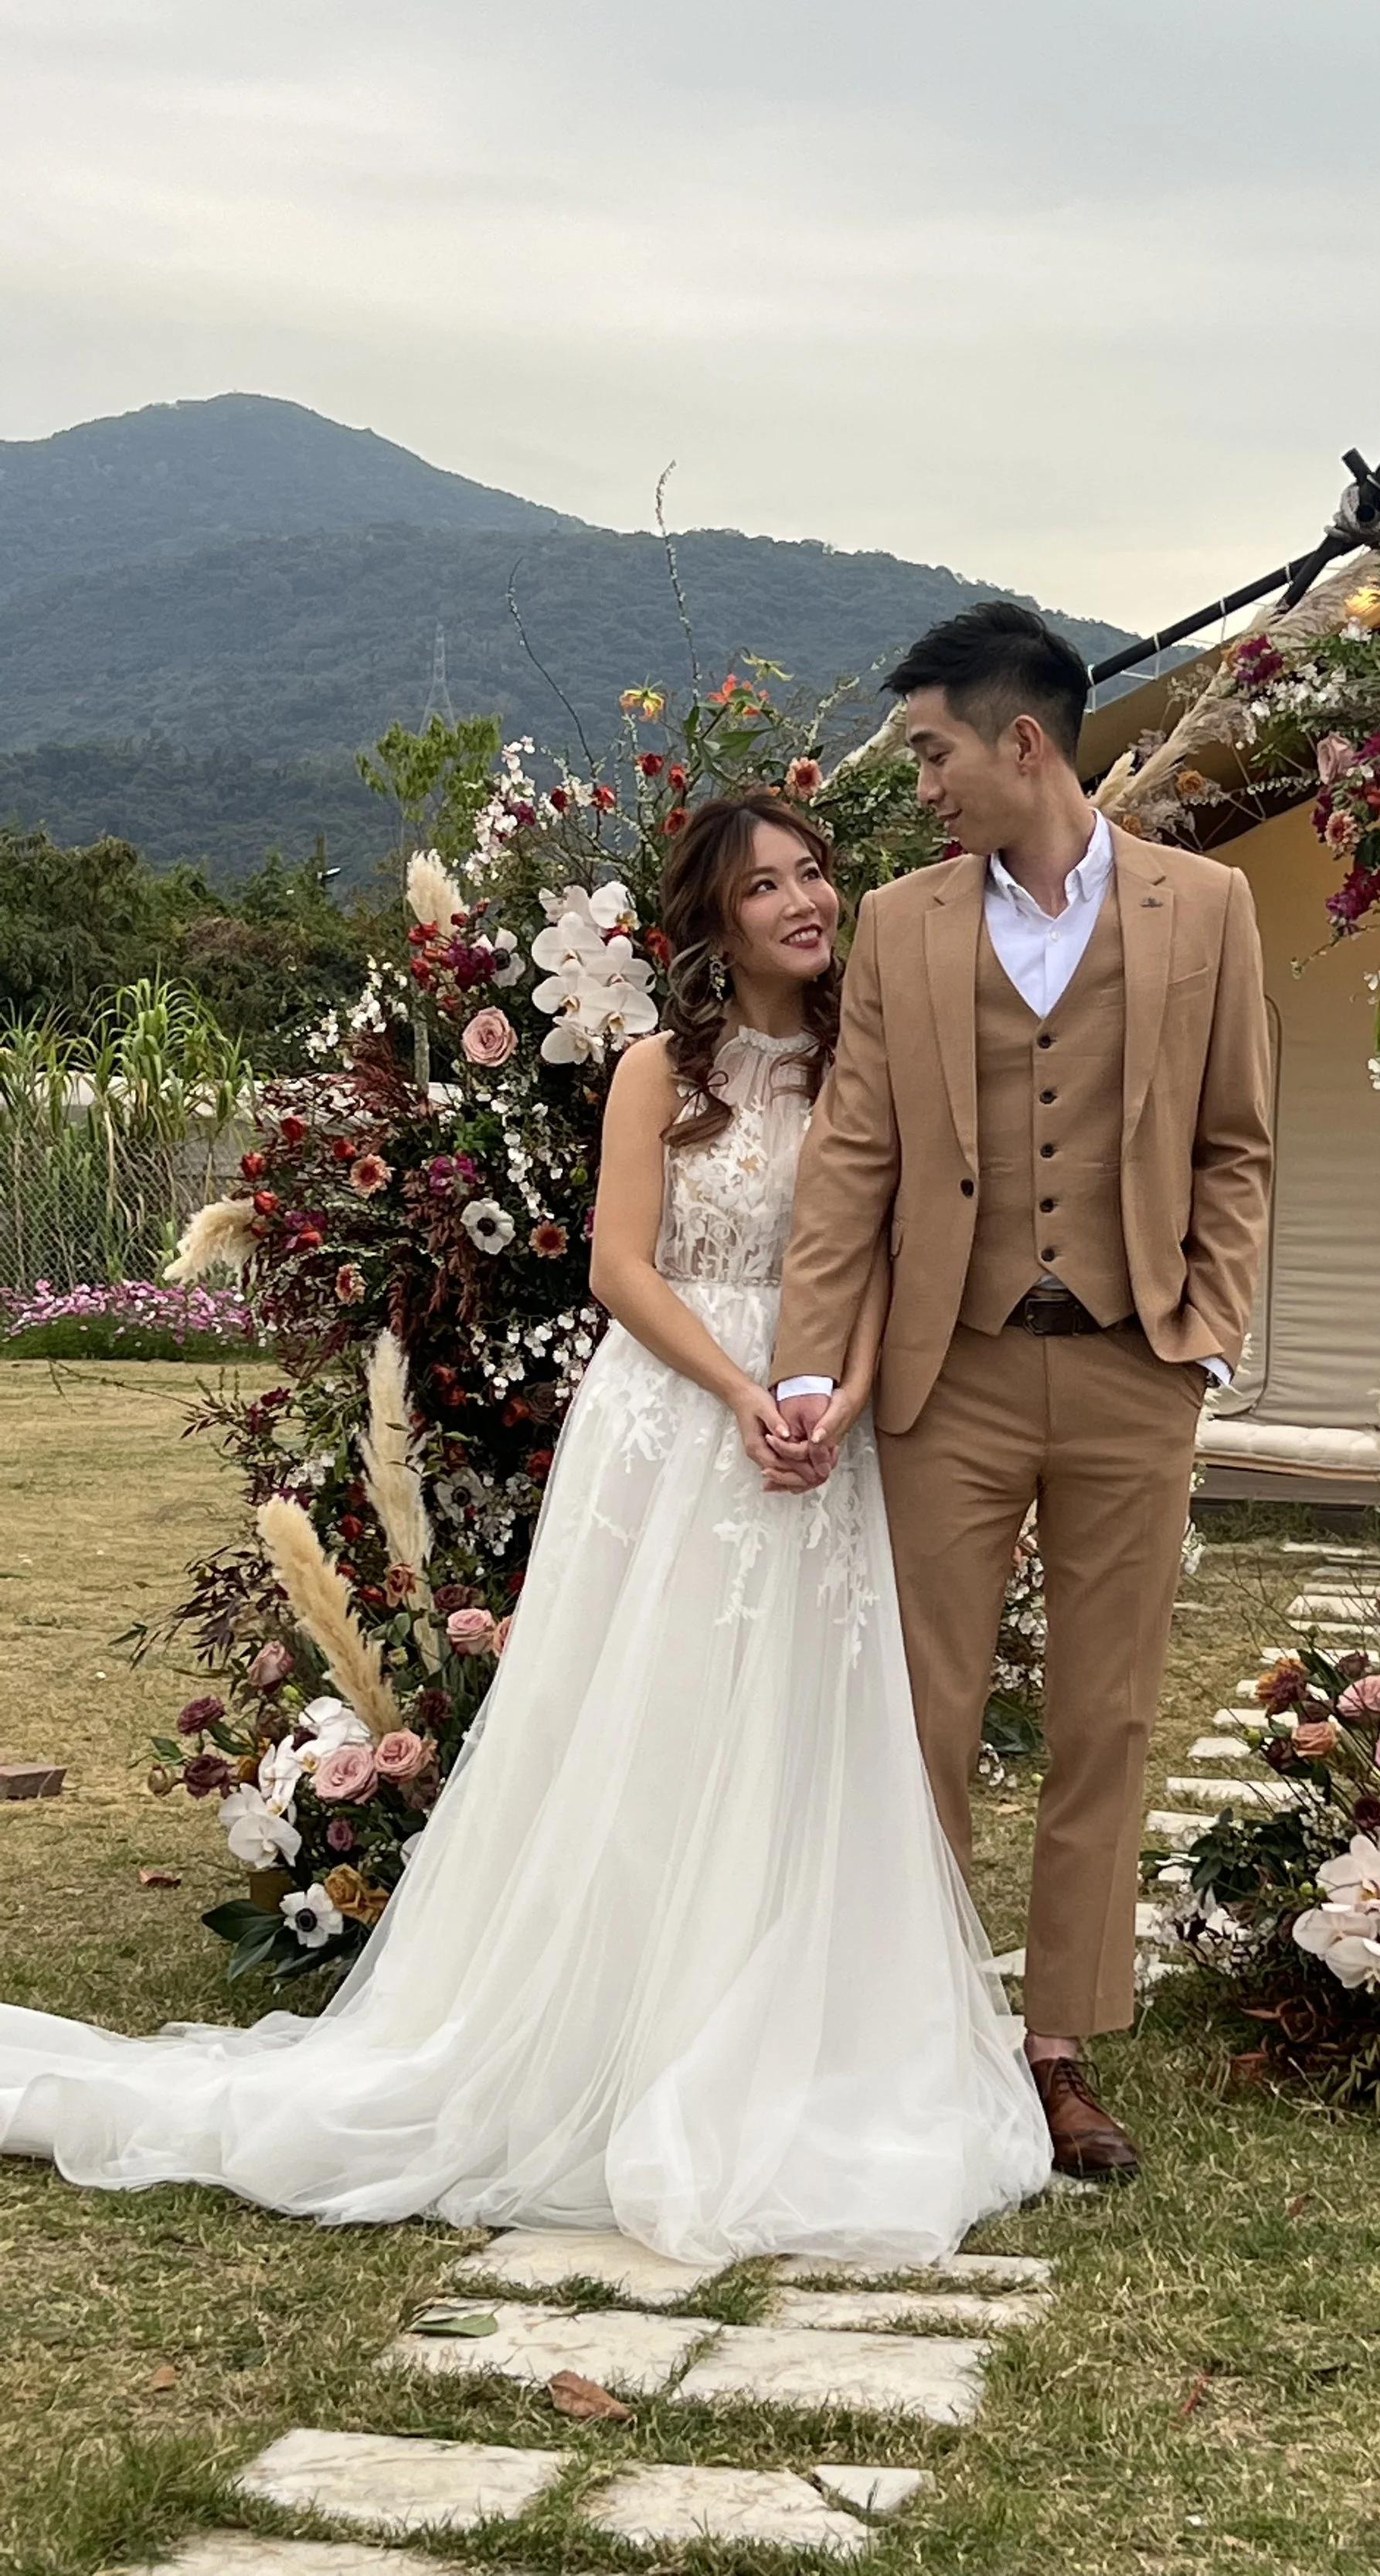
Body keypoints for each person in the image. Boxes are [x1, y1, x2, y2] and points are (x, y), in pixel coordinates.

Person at [0, 792, 1050, 2265]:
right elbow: (622, 1269)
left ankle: (803, 2042)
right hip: (677, 1421)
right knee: (656, 1717)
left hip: (822, 1429)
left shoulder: (872, 1070)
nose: (809, 900)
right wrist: (747, 1391)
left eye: (818, 873)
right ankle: (608, 2036)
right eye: (769, 886)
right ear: (713, 919)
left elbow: (889, 1263)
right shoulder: (653, 1074)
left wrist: (841, 1396)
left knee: (808, 1725)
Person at [771, 603, 1273, 2183]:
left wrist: (1205, 1326)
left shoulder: (1208, 908)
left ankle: (1057, 2048)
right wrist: (806, 1355)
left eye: (929, 750)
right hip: (950, 1371)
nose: (915, 784)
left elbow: (1235, 1143)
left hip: (1133, 1367)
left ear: (1024, 742)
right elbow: (854, 1152)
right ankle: (910, 2034)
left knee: (1103, 1720)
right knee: (918, 1712)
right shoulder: (900, 927)